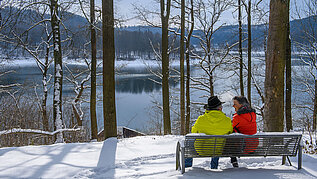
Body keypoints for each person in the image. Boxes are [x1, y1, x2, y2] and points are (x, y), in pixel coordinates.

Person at [185, 96, 233, 169]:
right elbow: (230, 132)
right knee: (217, 145)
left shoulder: (201, 119)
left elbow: (193, 131)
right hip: (218, 151)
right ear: (219, 108)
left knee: (189, 141)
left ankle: (187, 166)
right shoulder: (227, 120)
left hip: (201, 150)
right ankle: (214, 167)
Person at [230, 96, 257, 168]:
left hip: (244, 147)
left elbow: (230, 128)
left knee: (230, 135)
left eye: (235, 104)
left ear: (241, 105)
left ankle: (234, 160)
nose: (233, 106)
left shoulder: (238, 117)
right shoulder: (253, 114)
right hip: (253, 146)